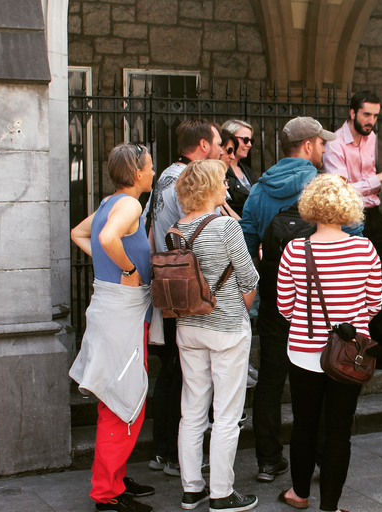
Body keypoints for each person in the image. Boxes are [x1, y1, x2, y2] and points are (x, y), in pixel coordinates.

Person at [276, 174, 382, 512]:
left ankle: (299, 493)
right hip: (349, 356)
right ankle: (331, 507)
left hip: (305, 352)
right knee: (338, 430)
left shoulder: (295, 250)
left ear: (311, 207)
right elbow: (374, 304)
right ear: (348, 208)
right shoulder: (364, 248)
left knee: (304, 425)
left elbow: (285, 307)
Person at [240, 116, 336, 483]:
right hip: (319, 303)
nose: (325, 148)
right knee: (317, 377)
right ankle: (320, 457)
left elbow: (246, 247)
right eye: (322, 143)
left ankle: (268, 458)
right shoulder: (321, 186)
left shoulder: (259, 190)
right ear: (308, 145)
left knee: (270, 378)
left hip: (274, 300)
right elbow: (353, 232)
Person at [69, 143, 156, 512]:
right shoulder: (131, 204)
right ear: (137, 173)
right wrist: (130, 271)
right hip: (123, 315)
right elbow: (104, 239)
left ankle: (114, 480)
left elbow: (78, 234)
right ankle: (106, 493)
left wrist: (111, 265)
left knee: (119, 398)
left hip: (112, 309)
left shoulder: (109, 203)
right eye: (150, 166)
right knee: (122, 403)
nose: (153, 171)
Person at [173, 160, 260, 512]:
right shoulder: (226, 225)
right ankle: (222, 493)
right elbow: (250, 279)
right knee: (226, 413)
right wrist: (240, 309)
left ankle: (191, 489)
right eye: (222, 180)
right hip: (226, 329)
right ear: (210, 187)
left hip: (189, 326)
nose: (227, 184)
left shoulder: (177, 229)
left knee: (192, 410)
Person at [146, 119, 224, 478]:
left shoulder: (163, 176)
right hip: (187, 288)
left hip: (165, 282)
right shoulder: (190, 183)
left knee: (172, 371)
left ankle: (163, 451)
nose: (223, 148)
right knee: (185, 376)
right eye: (219, 142)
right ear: (204, 146)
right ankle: (177, 456)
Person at [323, 90, 382, 371]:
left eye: (375, 115)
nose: (371, 121)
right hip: (348, 219)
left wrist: (373, 183)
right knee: (354, 283)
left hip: (372, 214)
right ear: (352, 113)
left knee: (379, 282)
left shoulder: (371, 138)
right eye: (366, 114)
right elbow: (341, 188)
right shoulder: (335, 144)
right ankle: (355, 345)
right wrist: (377, 179)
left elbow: (363, 184)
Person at [221, 119, 258, 216]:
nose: (249, 145)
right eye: (245, 140)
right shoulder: (220, 172)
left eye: (251, 141)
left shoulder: (248, 171)